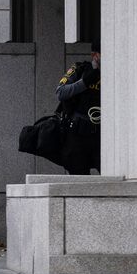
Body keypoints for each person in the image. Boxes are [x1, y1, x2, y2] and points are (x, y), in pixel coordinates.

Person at [56, 39, 101, 175]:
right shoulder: (80, 69)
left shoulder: (116, 73)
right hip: (79, 132)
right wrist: (85, 82)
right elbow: (60, 92)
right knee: (78, 176)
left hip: (103, 134)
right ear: (95, 55)